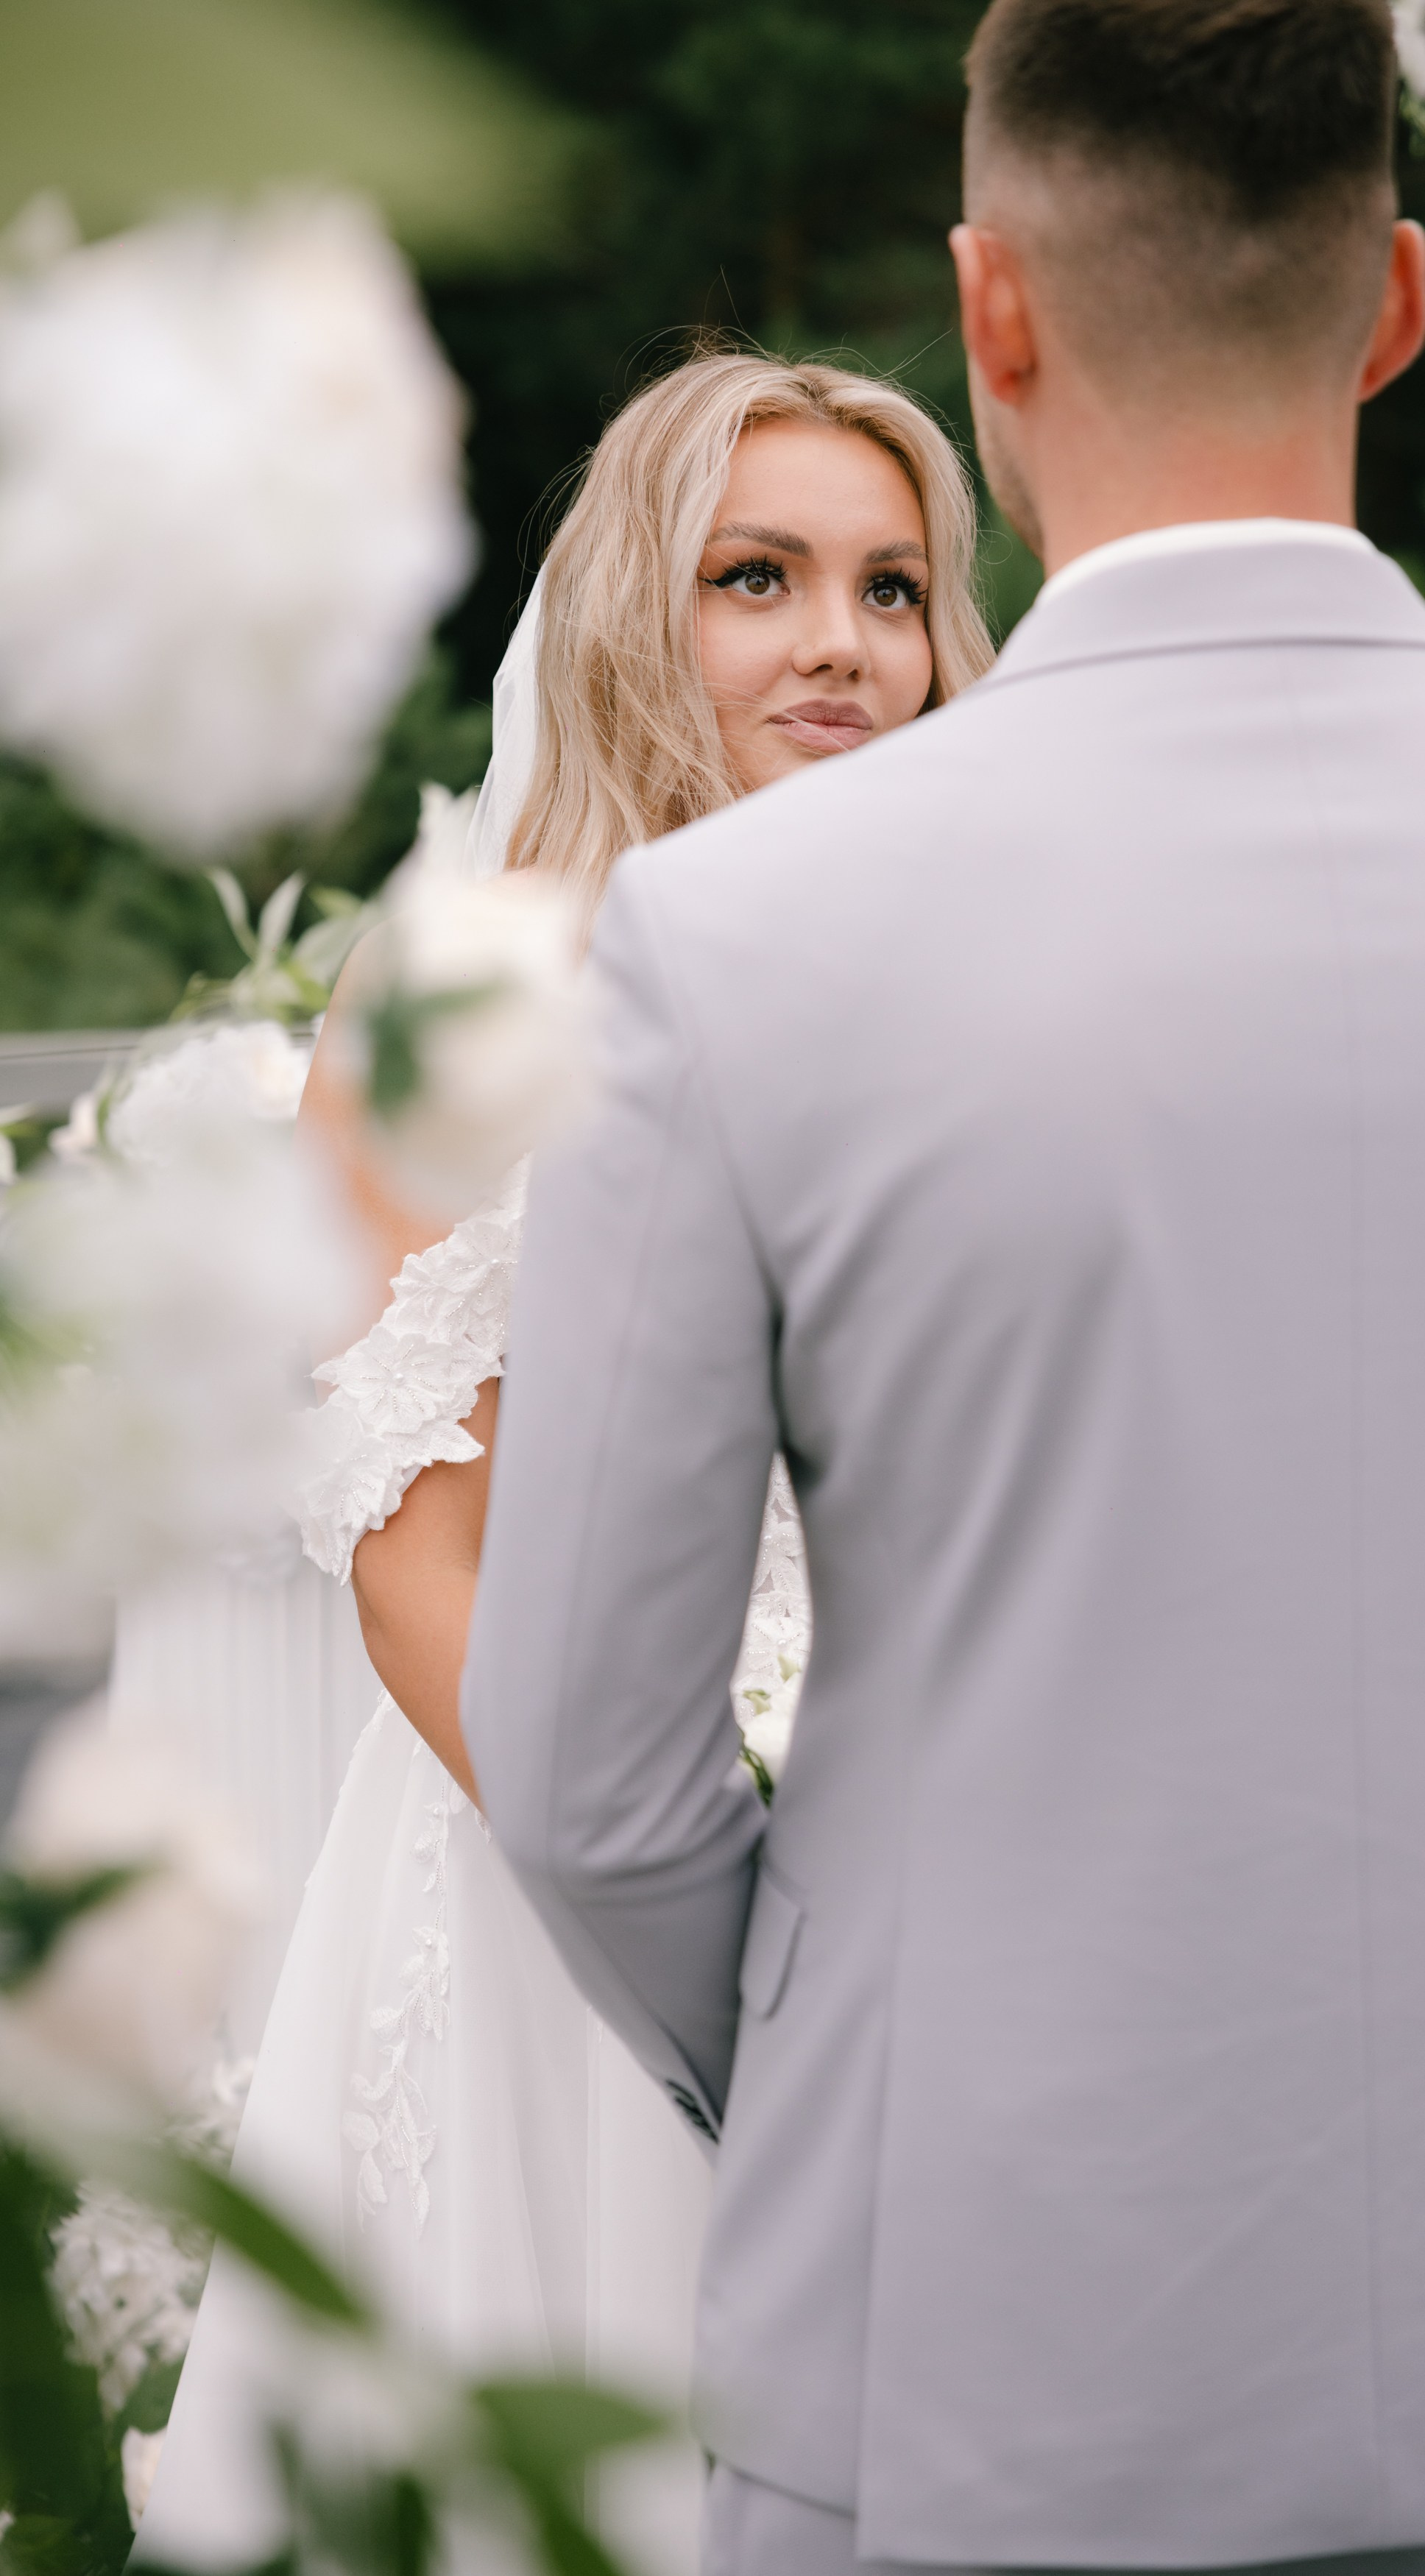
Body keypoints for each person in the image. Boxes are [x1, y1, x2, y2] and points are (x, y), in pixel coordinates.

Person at [462, 4, 1425, 2572]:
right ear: (1393, 301)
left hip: (950, 2353)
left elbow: (592, 1784)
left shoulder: (730, 939)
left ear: (990, 311)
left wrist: (887, 2065)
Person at [136, 350, 992, 2572]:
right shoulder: (467, 989)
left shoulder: (979, 982)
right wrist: (726, 1943)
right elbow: (410, 1554)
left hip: (950, 1902)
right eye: (760, 576)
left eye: (894, 587)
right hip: (559, 1901)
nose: (841, 638)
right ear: (634, 610)